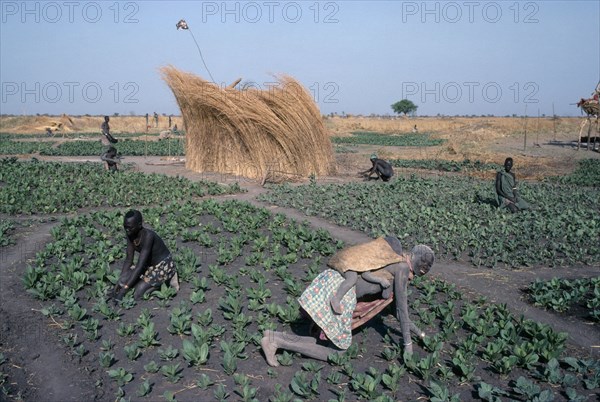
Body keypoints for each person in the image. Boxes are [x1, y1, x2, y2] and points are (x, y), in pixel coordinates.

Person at [261, 238, 435, 367]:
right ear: (420, 268)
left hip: (334, 282)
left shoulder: (393, 258)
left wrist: (420, 333)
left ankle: (273, 337)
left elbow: (395, 311)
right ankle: (276, 342)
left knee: (329, 343)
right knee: (339, 352)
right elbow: (402, 309)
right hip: (341, 295)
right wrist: (408, 345)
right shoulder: (403, 268)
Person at [112, 210, 179, 302]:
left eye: (130, 227)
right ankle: (149, 282)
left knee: (138, 293)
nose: (127, 230)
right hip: (148, 265)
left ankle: (162, 283)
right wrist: (120, 281)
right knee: (124, 281)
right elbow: (128, 260)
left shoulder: (148, 236)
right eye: (125, 227)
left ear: (139, 225)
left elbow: (139, 266)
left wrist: (124, 289)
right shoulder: (130, 234)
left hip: (163, 266)